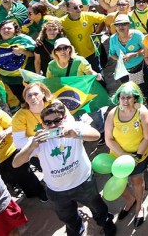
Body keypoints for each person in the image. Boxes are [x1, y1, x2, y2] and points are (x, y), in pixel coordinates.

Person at [12, 100, 117, 236]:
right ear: (43, 124)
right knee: (68, 217)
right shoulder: (38, 139)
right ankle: (75, 231)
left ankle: (106, 223)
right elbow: (16, 163)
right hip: (57, 191)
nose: (53, 125)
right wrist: (32, 146)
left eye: (57, 121)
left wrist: (77, 134)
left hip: (83, 182)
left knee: (97, 208)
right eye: (48, 123)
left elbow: (96, 135)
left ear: (64, 118)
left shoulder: (74, 127)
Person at [104, 82, 148, 226]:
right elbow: (108, 139)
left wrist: (136, 157)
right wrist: (124, 155)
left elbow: (147, 137)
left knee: (137, 181)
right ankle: (130, 200)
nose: (125, 101)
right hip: (117, 157)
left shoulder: (143, 112)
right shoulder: (113, 114)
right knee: (119, 182)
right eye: (122, 97)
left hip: (138, 156)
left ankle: (139, 206)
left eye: (128, 98)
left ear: (135, 98)